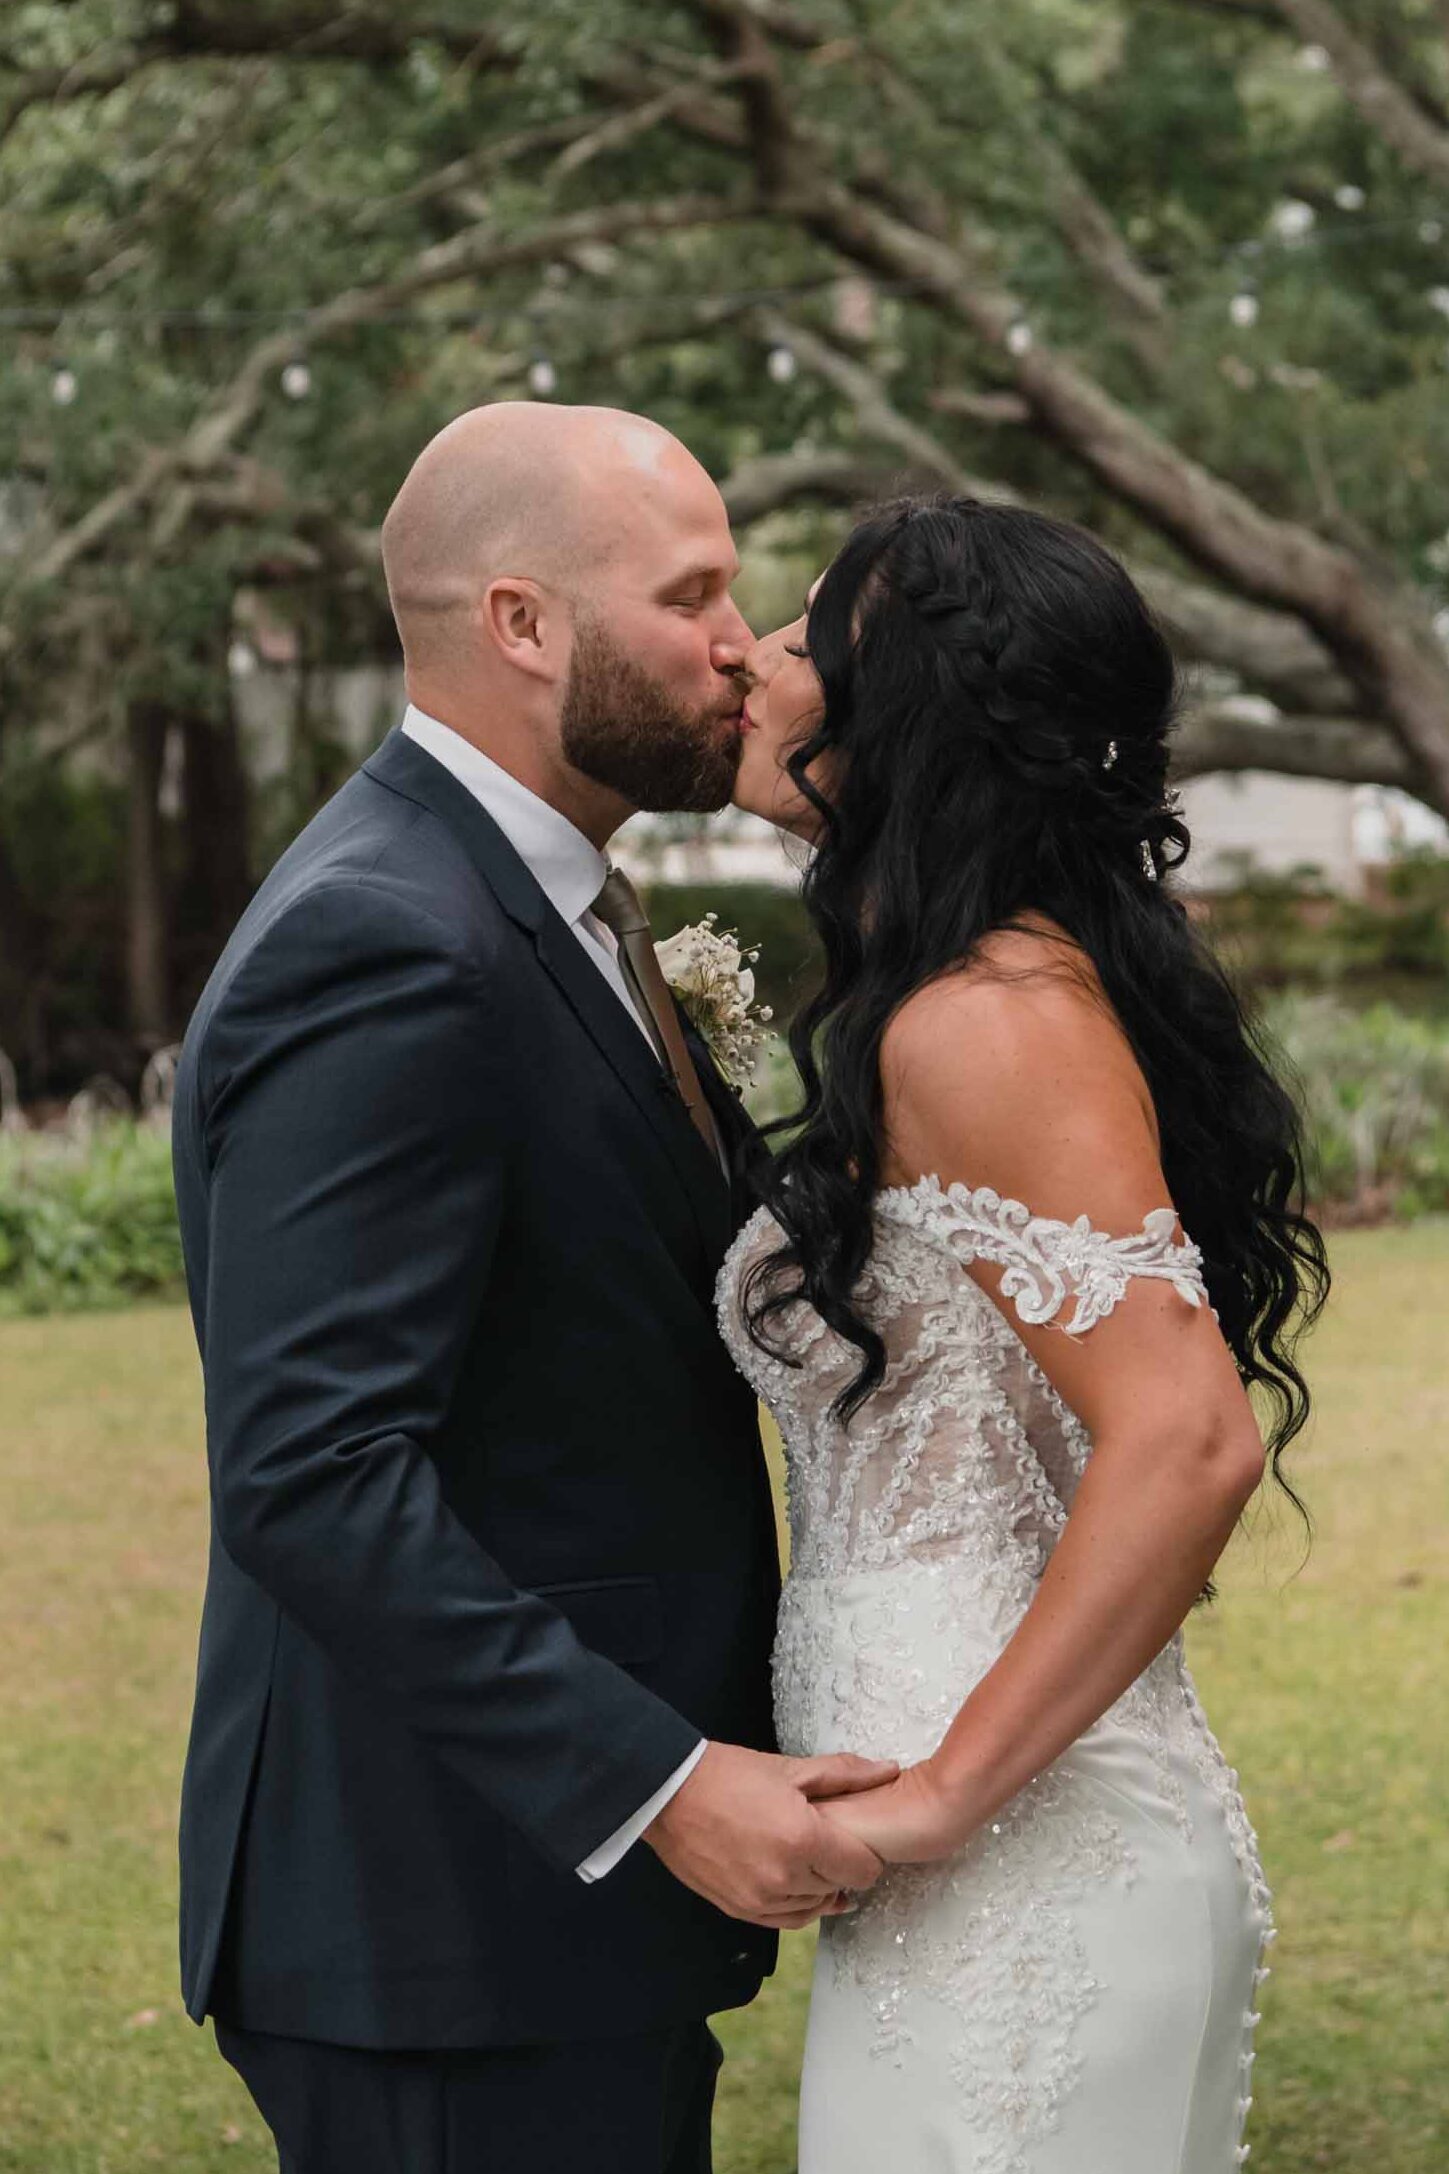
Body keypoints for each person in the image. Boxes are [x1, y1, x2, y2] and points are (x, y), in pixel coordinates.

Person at [170, 402, 895, 2174]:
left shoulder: (549, 898)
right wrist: (660, 1778)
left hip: (546, 1925)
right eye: (693, 594)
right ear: (521, 624)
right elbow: (315, 1472)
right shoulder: (388, 935)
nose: (743, 643)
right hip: (444, 1915)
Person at [723, 494, 1328, 2174]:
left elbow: (1189, 1434)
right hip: (985, 1866)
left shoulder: (982, 1021)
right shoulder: (984, 990)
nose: (753, 664)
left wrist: (936, 1796)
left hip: (1014, 1863)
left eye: (798, 636)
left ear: (888, 707)